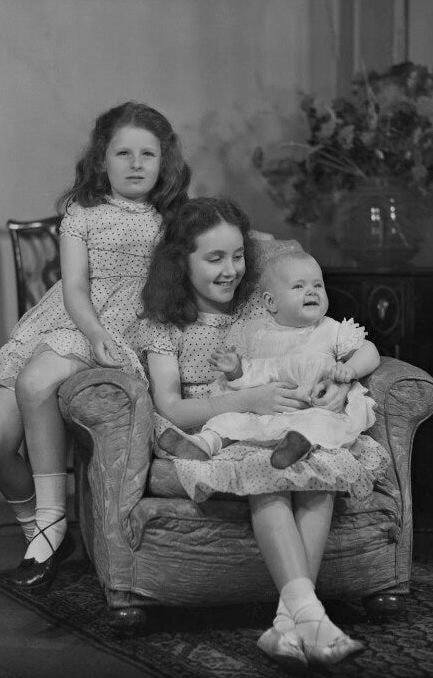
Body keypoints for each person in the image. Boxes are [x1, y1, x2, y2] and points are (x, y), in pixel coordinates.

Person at [138, 196, 390, 672]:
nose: (231, 269)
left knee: (321, 477)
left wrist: (339, 388)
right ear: (180, 262)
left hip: (292, 419)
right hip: (228, 424)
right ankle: (309, 617)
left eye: (238, 256)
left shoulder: (264, 301)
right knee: (267, 478)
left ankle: (288, 624)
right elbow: (169, 406)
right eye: (214, 258)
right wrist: (244, 400)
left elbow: (313, 343)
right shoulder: (164, 325)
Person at [0, 101, 190, 593]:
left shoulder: (172, 218)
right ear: (101, 159)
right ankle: (41, 533)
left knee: (37, 381)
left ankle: (50, 524)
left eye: (148, 154)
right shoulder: (82, 212)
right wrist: (94, 334)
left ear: (164, 161)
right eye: (122, 153)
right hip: (73, 319)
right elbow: (73, 288)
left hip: (128, 324)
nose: (135, 164)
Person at [158, 249, 379, 469]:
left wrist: (350, 370)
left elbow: (369, 351)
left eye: (318, 285)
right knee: (228, 421)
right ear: (271, 302)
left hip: (310, 409)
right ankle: (203, 444)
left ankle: (298, 447)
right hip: (265, 414)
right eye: (299, 286)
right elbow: (253, 376)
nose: (312, 292)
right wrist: (235, 370)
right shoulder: (256, 335)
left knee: (316, 424)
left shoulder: (330, 330)